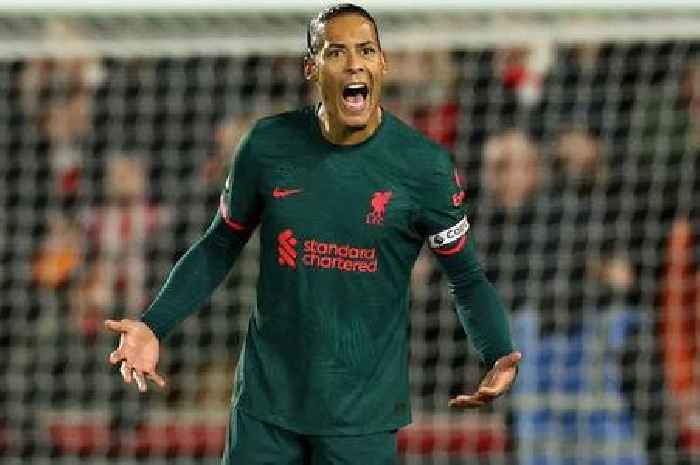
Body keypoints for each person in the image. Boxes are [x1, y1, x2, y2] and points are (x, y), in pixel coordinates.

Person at [104, 4, 520, 464]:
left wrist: (496, 350)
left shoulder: (424, 168)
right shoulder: (267, 145)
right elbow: (219, 244)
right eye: (336, 51)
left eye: (366, 50)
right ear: (312, 68)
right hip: (266, 409)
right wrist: (153, 323)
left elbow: (466, 276)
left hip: (361, 420)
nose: (354, 63)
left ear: (383, 64)